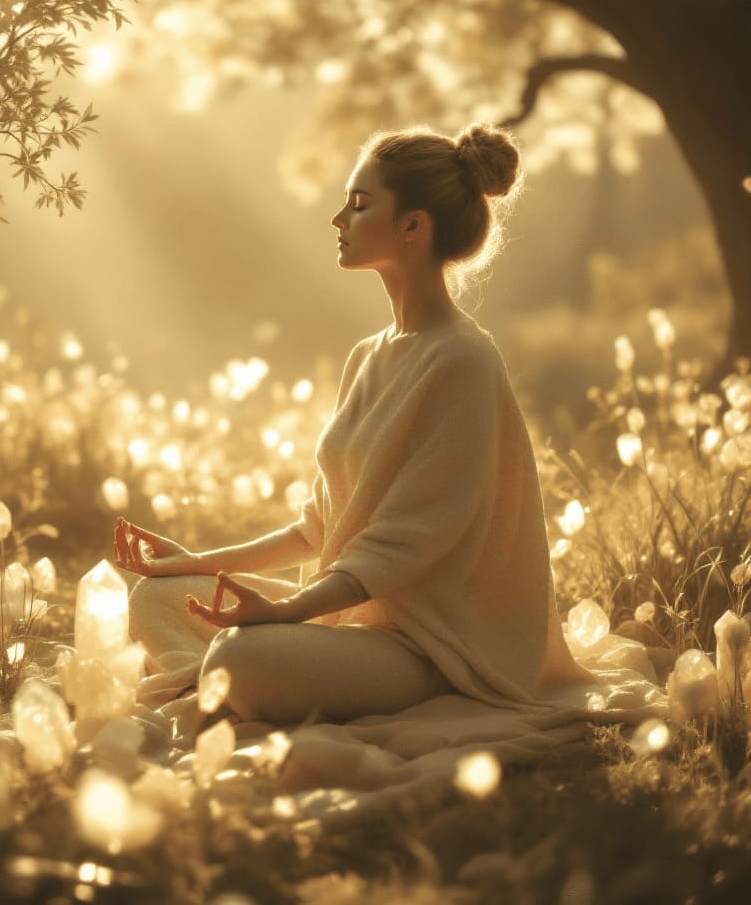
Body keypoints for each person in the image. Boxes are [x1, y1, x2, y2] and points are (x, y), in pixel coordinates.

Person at [114, 123, 592, 727]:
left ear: (413, 227)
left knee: (240, 658)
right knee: (156, 597)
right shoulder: (367, 356)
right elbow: (319, 528)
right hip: (347, 621)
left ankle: (221, 678)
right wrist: (196, 563)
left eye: (360, 205)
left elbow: (400, 546)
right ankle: (218, 679)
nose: (338, 219)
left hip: (426, 645)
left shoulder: (463, 359)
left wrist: (285, 616)